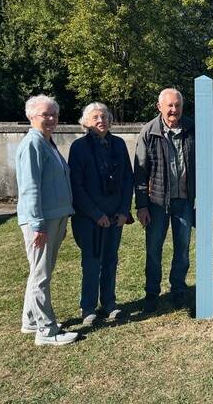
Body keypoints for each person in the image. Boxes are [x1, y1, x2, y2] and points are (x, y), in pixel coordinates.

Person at [16, 95, 78, 346]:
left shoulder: (47, 142)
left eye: (54, 114)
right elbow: (30, 189)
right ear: (31, 116)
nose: (51, 119)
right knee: (41, 275)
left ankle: (30, 320)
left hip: (55, 217)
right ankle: (46, 330)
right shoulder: (32, 144)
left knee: (40, 272)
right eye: (45, 114)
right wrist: (38, 225)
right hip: (41, 221)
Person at [68, 102, 134, 326]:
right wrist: (96, 214)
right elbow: (76, 186)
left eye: (105, 116)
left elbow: (127, 180)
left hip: (116, 216)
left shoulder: (119, 144)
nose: (101, 120)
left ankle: (109, 303)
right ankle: (88, 308)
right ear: (86, 122)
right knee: (92, 262)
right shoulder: (79, 148)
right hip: (89, 218)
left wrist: (124, 210)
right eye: (96, 117)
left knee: (111, 260)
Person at [134, 88, 195, 313]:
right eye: (169, 105)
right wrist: (141, 206)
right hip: (157, 203)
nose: (173, 110)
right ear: (159, 106)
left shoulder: (192, 128)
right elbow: (140, 173)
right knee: (153, 250)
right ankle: (152, 293)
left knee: (183, 250)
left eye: (177, 105)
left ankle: (178, 289)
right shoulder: (149, 132)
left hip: (185, 201)